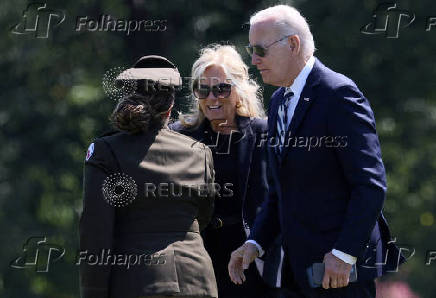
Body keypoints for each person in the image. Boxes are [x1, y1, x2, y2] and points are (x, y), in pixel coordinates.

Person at [228, 5, 405, 298]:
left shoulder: (339, 94)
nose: (255, 60)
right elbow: (279, 190)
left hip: (340, 274)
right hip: (296, 274)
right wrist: (255, 243)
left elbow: (369, 185)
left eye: (260, 50)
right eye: (251, 51)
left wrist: (344, 254)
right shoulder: (278, 102)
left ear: (293, 44)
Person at [79, 55, 218, 298]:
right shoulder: (200, 153)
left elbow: (95, 233)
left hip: (138, 284)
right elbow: (203, 217)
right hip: (198, 283)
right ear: (170, 107)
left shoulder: (106, 152)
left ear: (126, 100)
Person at [170, 44, 282, 298]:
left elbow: (280, 198)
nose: (212, 98)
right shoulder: (178, 137)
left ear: (239, 90)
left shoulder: (264, 133)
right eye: (204, 90)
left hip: (254, 256)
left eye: (222, 88)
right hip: (198, 257)